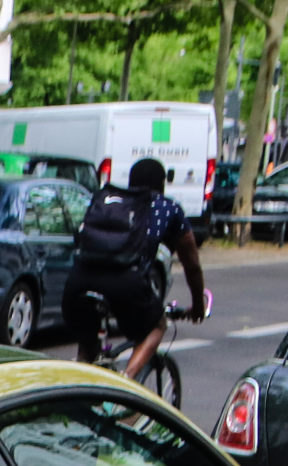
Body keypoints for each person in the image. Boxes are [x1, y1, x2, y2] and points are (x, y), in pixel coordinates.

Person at [65, 156, 208, 384]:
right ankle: (127, 383)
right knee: (157, 324)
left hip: (78, 280)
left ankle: (81, 393)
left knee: (88, 354)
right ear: (162, 184)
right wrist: (198, 306)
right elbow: (192, 265)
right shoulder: (166, 206)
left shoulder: (107, 200)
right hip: (125, 282)